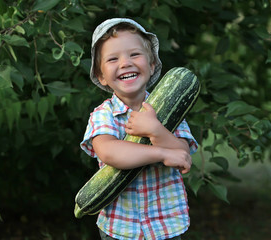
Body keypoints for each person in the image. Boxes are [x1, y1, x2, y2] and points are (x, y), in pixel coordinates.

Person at [80, 18, 198, 240]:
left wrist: (156, 131)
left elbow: (182, 155)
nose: (125, 63)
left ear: (152, 65)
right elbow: (110, 153)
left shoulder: (172, 110)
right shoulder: (103, 115)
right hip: (121, 228)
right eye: (113, 59)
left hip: (166, 225)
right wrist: (161, 152)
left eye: (135, 55)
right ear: (101, 76)